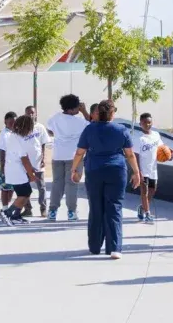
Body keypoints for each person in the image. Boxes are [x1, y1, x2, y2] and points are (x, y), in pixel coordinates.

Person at [70, 100, 141, 258]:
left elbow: (80, 152)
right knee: (114, 207)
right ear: (112, 113)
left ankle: (94, 247)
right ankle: (114, 248)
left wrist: (74, 169)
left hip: (94, 171)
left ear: (98, 113)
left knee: (96, 208)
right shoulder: (121, 129)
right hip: (116, 171)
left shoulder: (89, 129)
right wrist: (136, 172)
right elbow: (129, 154)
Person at [47, 94, 87, 221]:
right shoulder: (80, 121)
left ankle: (52, 211)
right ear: (71, 109)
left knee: (57, 183)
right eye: (77, 107)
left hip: (58, 155)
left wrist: (59, 134)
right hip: (74, 157)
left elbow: (49, 130)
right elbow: (92, 125)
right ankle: (71, 211)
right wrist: (84, 111)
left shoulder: (55, 118)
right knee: (72, 183)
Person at [0, 114, 38, 225]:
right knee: (24, 193)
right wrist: (31, 174)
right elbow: (24, 159)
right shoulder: (18, 138)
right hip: (17, 170)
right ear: (25, 127)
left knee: (25, 192)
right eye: (30, 128)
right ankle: (7, 213)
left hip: (14, 169)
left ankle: (16, 216)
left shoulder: (13, 136)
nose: (30, 131)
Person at [132, 112, 163, 223]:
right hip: (143, 170)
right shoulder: (138, 139)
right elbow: (134, 156)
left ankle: (142, 208)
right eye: (144, 122)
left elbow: (162, 149)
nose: (147, 124)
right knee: (144, 192)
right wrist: (137, 171)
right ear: (140, 124)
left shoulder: (156, 135)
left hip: (153, 169)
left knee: (152, 191)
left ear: (152, 123)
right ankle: (148, 214)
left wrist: (169, 153)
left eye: (149, 122)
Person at [23, 105, 51, 216]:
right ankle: (28, 209)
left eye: (32, 112)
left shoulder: (40, 127)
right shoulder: (21, 128)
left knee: (41, 186)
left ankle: (43, 209)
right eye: (28, 112)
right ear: (25, 114)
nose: (30, 114)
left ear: (35, 114)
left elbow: (43, 143)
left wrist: (43, 157)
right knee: (25, 186)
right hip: (26, 163)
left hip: (38, 161)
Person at [0, 110, 17, 212]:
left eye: (14, 122)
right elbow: (2, 151)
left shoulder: (16, 132)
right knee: (5, 187)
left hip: (14, 163)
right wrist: (3, 167)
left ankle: (7, 206)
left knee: (12, 187)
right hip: (4, 162)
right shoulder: (4, 134)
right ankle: (4, 209)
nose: (13, 124)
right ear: (5, 122)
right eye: (10, 122)